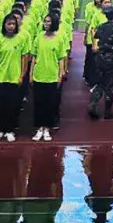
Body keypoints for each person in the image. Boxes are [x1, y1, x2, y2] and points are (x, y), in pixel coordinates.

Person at [31, 12, 70, 141]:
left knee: (49, 103)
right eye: (44, 21)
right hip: (39, 75)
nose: (46, 24)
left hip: (52, 75)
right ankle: (39, 128)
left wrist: (61, 73)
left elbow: (61, 58)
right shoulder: (38, 37)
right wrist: (31, 74)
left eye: (48, 22)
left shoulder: (59, 39)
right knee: (38, 103)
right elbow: (34, 57)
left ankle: (47, 128)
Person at [0, 14, 30, 142]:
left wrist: (22, 75)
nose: (11, 26)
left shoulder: (20, 39)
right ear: (4, 25)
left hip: (14, 77)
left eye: (13, 24)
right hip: (1, 77)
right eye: (8, 24)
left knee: (12, 106)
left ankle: (9, 130)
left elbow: (24, 58)